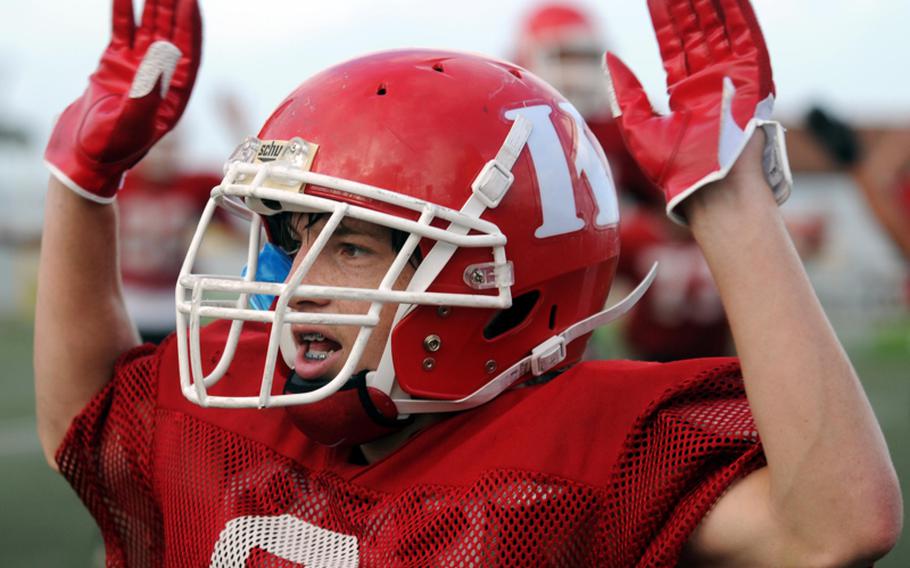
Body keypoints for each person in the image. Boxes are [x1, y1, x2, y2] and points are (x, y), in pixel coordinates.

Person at [36, 0, 901, 566]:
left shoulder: (581, 462)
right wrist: (81, 184)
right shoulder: (237, 421)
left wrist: (733, 202)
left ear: (498, 283)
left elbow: (836, 525)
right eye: (293, 241)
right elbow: (85, 417)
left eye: (353, 249)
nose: (295, 287)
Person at [513, 2, 731, 361]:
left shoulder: (610, 131)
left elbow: (672, 200)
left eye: (585, 59)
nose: (577, 72)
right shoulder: (503, 120)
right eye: (565, 56)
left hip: (577, 297)